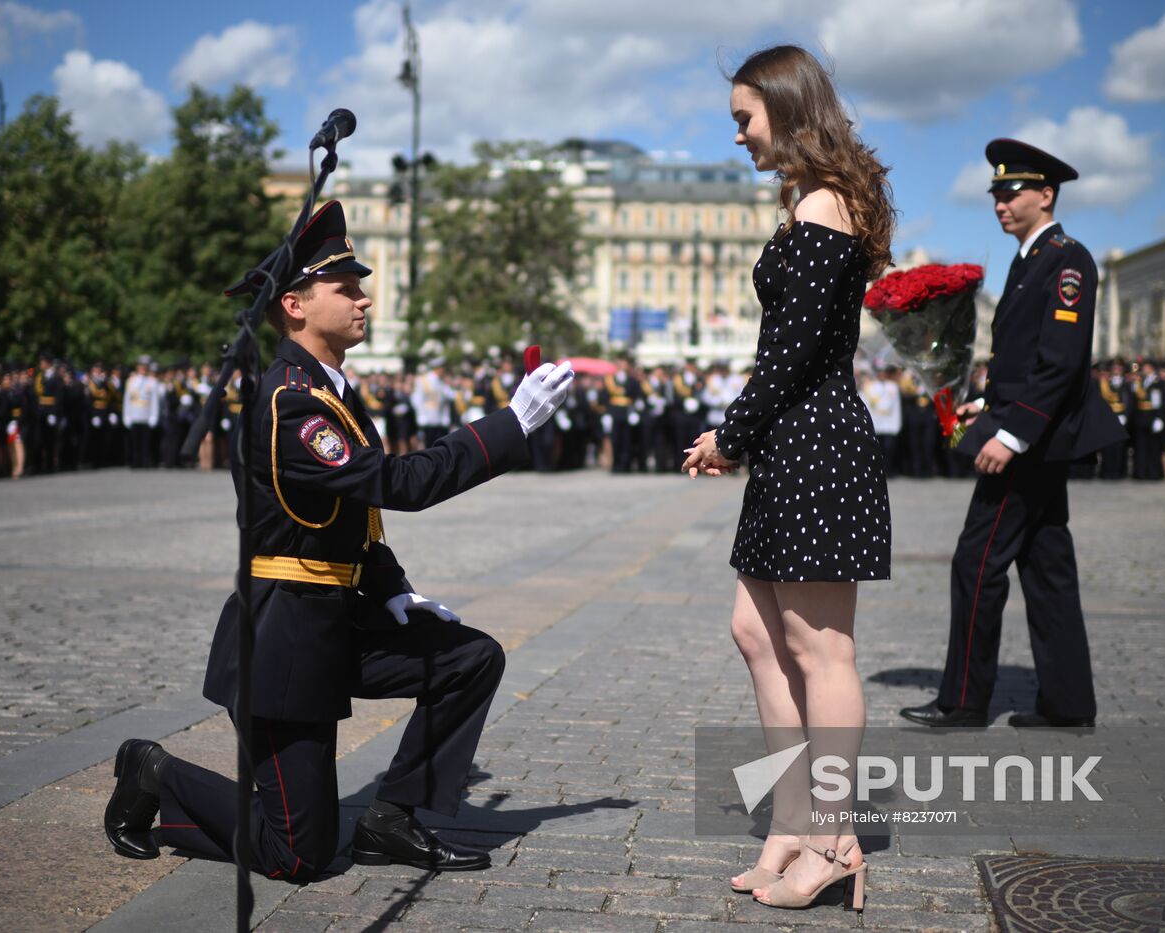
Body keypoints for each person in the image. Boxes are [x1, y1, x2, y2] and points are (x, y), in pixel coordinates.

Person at [103, 201, 574, 880]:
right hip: (284, 642)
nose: (363, 297)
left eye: (359, 284)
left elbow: (348, 514)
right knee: (297, 855)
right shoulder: (290, 403)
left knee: (469, 659)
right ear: (293, 305)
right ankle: (153, 771)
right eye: (345, 286)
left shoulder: (332, 393)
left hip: (336, 621)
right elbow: (398, 483)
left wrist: (392, 589)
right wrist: (509, 425)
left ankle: (392, 816)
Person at [682, 45, 895, 913]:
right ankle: (791, 816)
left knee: (820, 647)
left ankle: (835, 839)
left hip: (815, 442)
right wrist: (740, 437)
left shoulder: (823, 203)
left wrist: (729, 435)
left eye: (745, 117)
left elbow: (792, 351)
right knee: (757, 631)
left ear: (786, 105)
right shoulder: (810, 200)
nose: (737, 134)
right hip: (794, 444)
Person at [900, 139, 1124, 730]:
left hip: (1033, 447)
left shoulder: (1067, 260)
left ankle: (964, 700)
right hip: (1033, 435)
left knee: (976, 563)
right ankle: (1068, 705)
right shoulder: (1030, 259)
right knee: (1048, 569)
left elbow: (1061, 362)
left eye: (1012, 191)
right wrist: (985, 405)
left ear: (1045, 195)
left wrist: (1013, 435)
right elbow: (1021, 362)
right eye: (995, 193)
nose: (1000, 202)